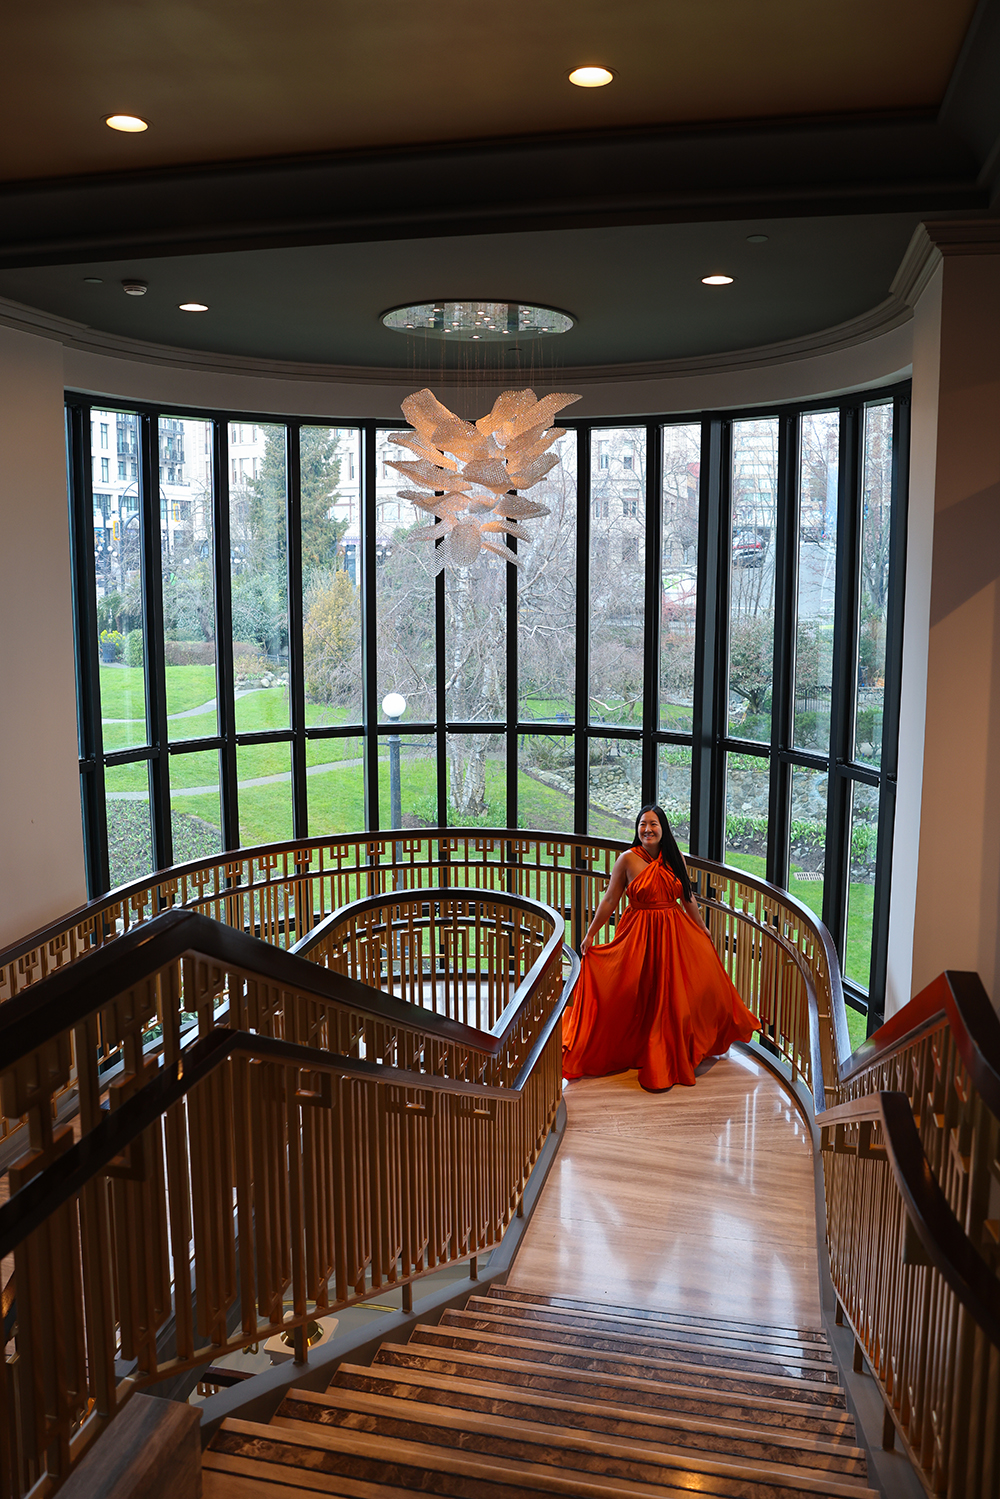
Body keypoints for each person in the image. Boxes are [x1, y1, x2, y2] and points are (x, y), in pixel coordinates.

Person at [562, 804, 760, 1091]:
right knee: (637, 990)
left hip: (673, 932)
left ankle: (672, 1052)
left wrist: (702, 928)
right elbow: (609, 901)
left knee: (678, 994)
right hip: (639, 934)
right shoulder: (627, 860)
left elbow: (687, 897)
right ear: (637, 829)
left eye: (653, 824)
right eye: (643, 824)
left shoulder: (675, 857)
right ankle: (639, 1047)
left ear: (663, 828)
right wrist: (591, 933)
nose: (647, 829)